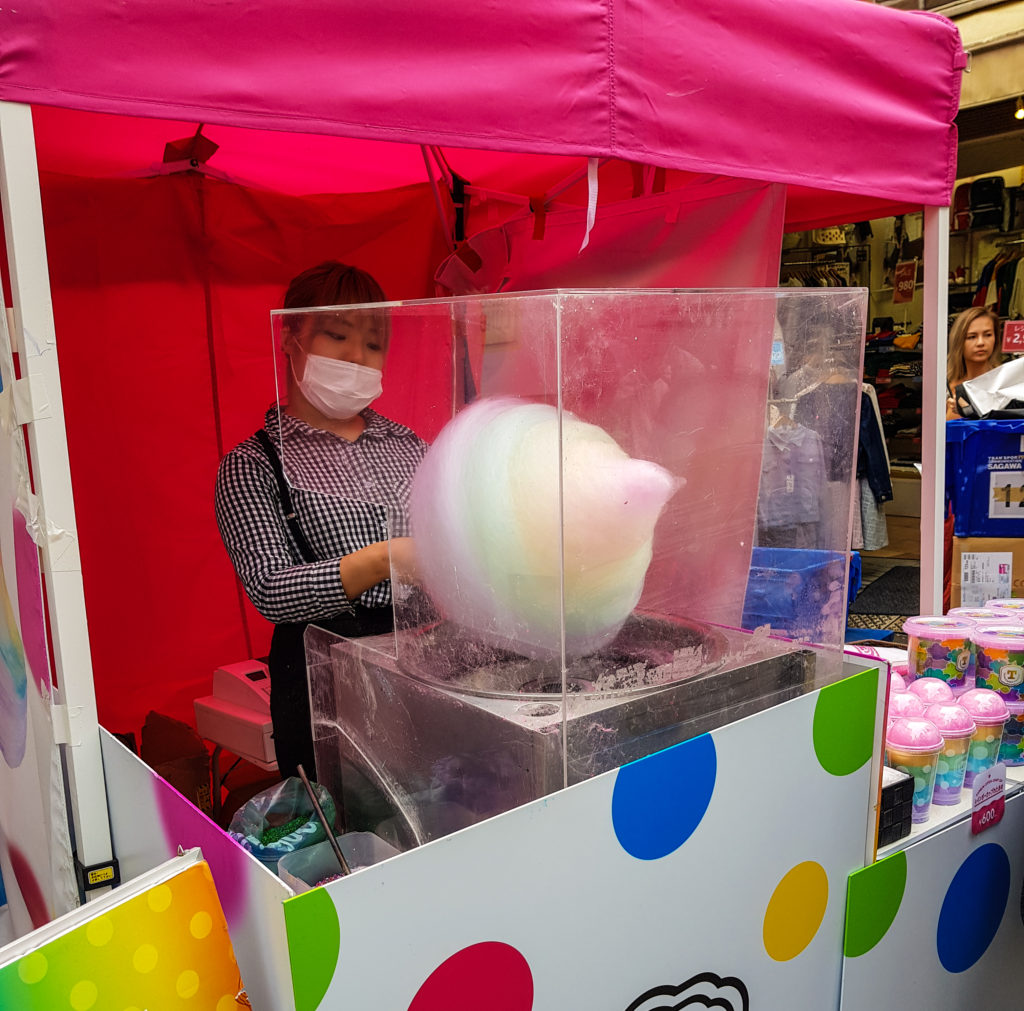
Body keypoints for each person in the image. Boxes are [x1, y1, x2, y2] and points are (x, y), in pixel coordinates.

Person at [215, 262, 426, 779]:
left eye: (374, 345)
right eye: (337, 336)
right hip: (322, 680)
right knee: (347, 830)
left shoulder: (411, 447)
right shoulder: (253, 464)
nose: (358, 357)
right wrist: (386, 558)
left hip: (422, 667)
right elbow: (270, 588)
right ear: (290, 336)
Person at [946, 307, 1001, 420]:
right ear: (959, 341)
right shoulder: (945, 388)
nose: (981, 343)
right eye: (972, 337)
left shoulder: (1005, 383)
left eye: (988, 335)